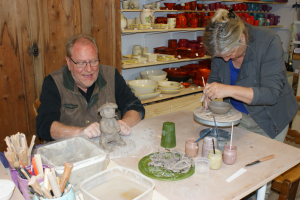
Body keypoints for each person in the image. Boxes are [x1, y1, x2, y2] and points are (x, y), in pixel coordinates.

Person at [201, 9, 299, 199]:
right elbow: (215, 77)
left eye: (230, 54)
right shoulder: (221, 46)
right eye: (220, 56)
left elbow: (271, 94)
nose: (226, 60)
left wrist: (227, 90)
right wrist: (210, 93)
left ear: (243, 39)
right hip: (237, 118)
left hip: (270, 118)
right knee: (233, 171)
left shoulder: (268, 42)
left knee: (257, 179)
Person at [36, 34, 145, 141]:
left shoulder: (111, 75)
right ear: (69, 63)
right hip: (71, 153)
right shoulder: (53, 83)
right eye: (81, 63)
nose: (89, 69)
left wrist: (125, 123)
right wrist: (80, 132)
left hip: (109, 150)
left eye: (93, 61)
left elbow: (135, 106)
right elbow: (44, 126)